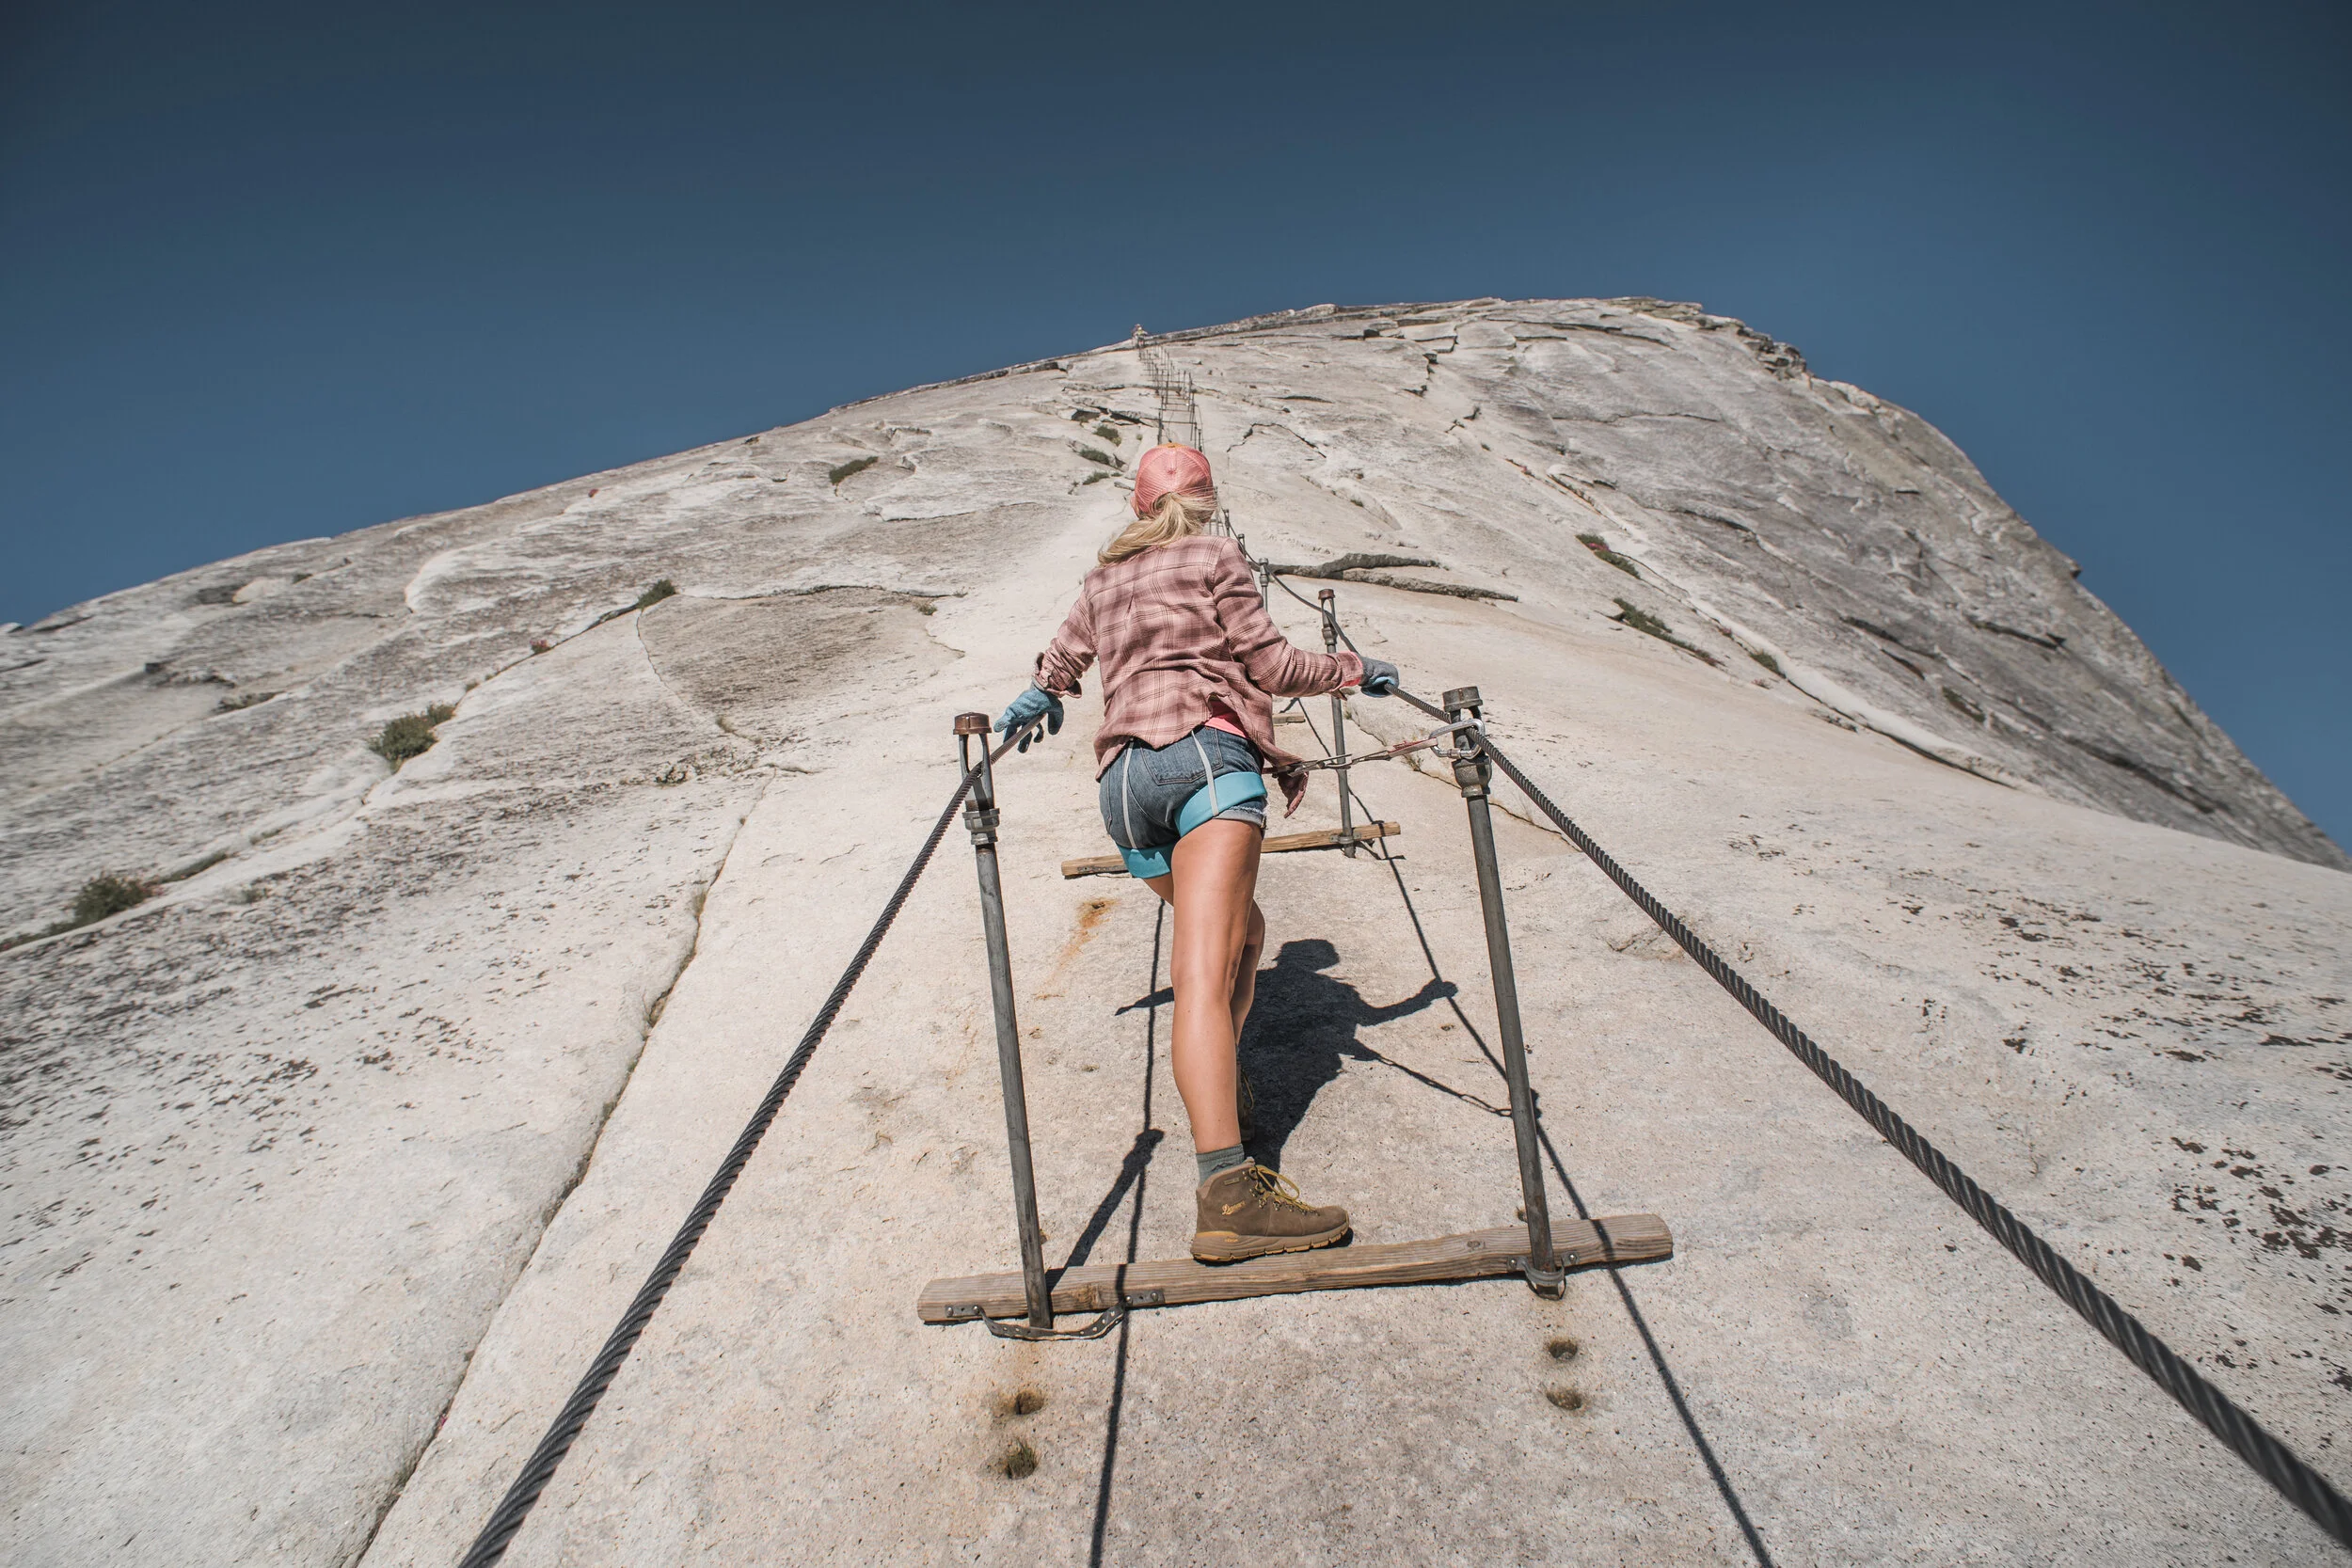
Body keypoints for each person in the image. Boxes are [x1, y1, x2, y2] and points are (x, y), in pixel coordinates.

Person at [996, 443, 1400, 1262]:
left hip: (1125, 791)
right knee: (1202, 980)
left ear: (1140, 506)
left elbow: (1063, 660)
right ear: (1205, 500)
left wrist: (1040, 694)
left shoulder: (1102, 578)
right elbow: (1273, 664)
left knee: (1245, 937)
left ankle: (1224, 1083)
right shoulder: (1217, 554)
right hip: (1207, 761)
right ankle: (1227, 1192)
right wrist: (1358, 669)